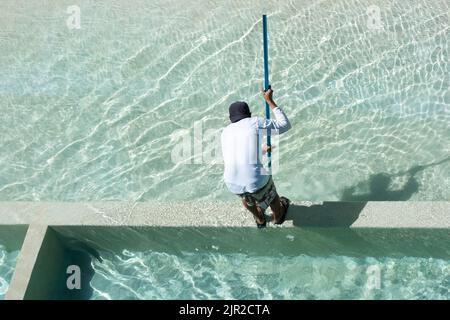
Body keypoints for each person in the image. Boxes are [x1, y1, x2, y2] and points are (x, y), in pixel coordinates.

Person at [221, 87, 291, 228]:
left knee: (246, 196)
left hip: (232, 183)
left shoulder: (225, 132)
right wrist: (269, 100)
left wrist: (262, 150)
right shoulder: (255, 122)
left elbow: (241, 156)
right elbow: (285, 125)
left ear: (231, 119)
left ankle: (260, 219)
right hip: (256, 181)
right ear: (249, 114)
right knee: (272, 196)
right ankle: (278, 217)